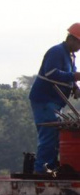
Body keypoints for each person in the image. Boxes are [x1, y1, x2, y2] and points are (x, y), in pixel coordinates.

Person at [29, 23, 80, 173]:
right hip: (45, 100)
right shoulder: (56, 51)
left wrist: (75, 87)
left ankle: (50, 168)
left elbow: (70, 76)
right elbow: (51, 73)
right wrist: (75, 76)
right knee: (49, 134)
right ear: (71, 39)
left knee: (56, 135)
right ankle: (41, 170)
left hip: (55, 102)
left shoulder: (70, 56)